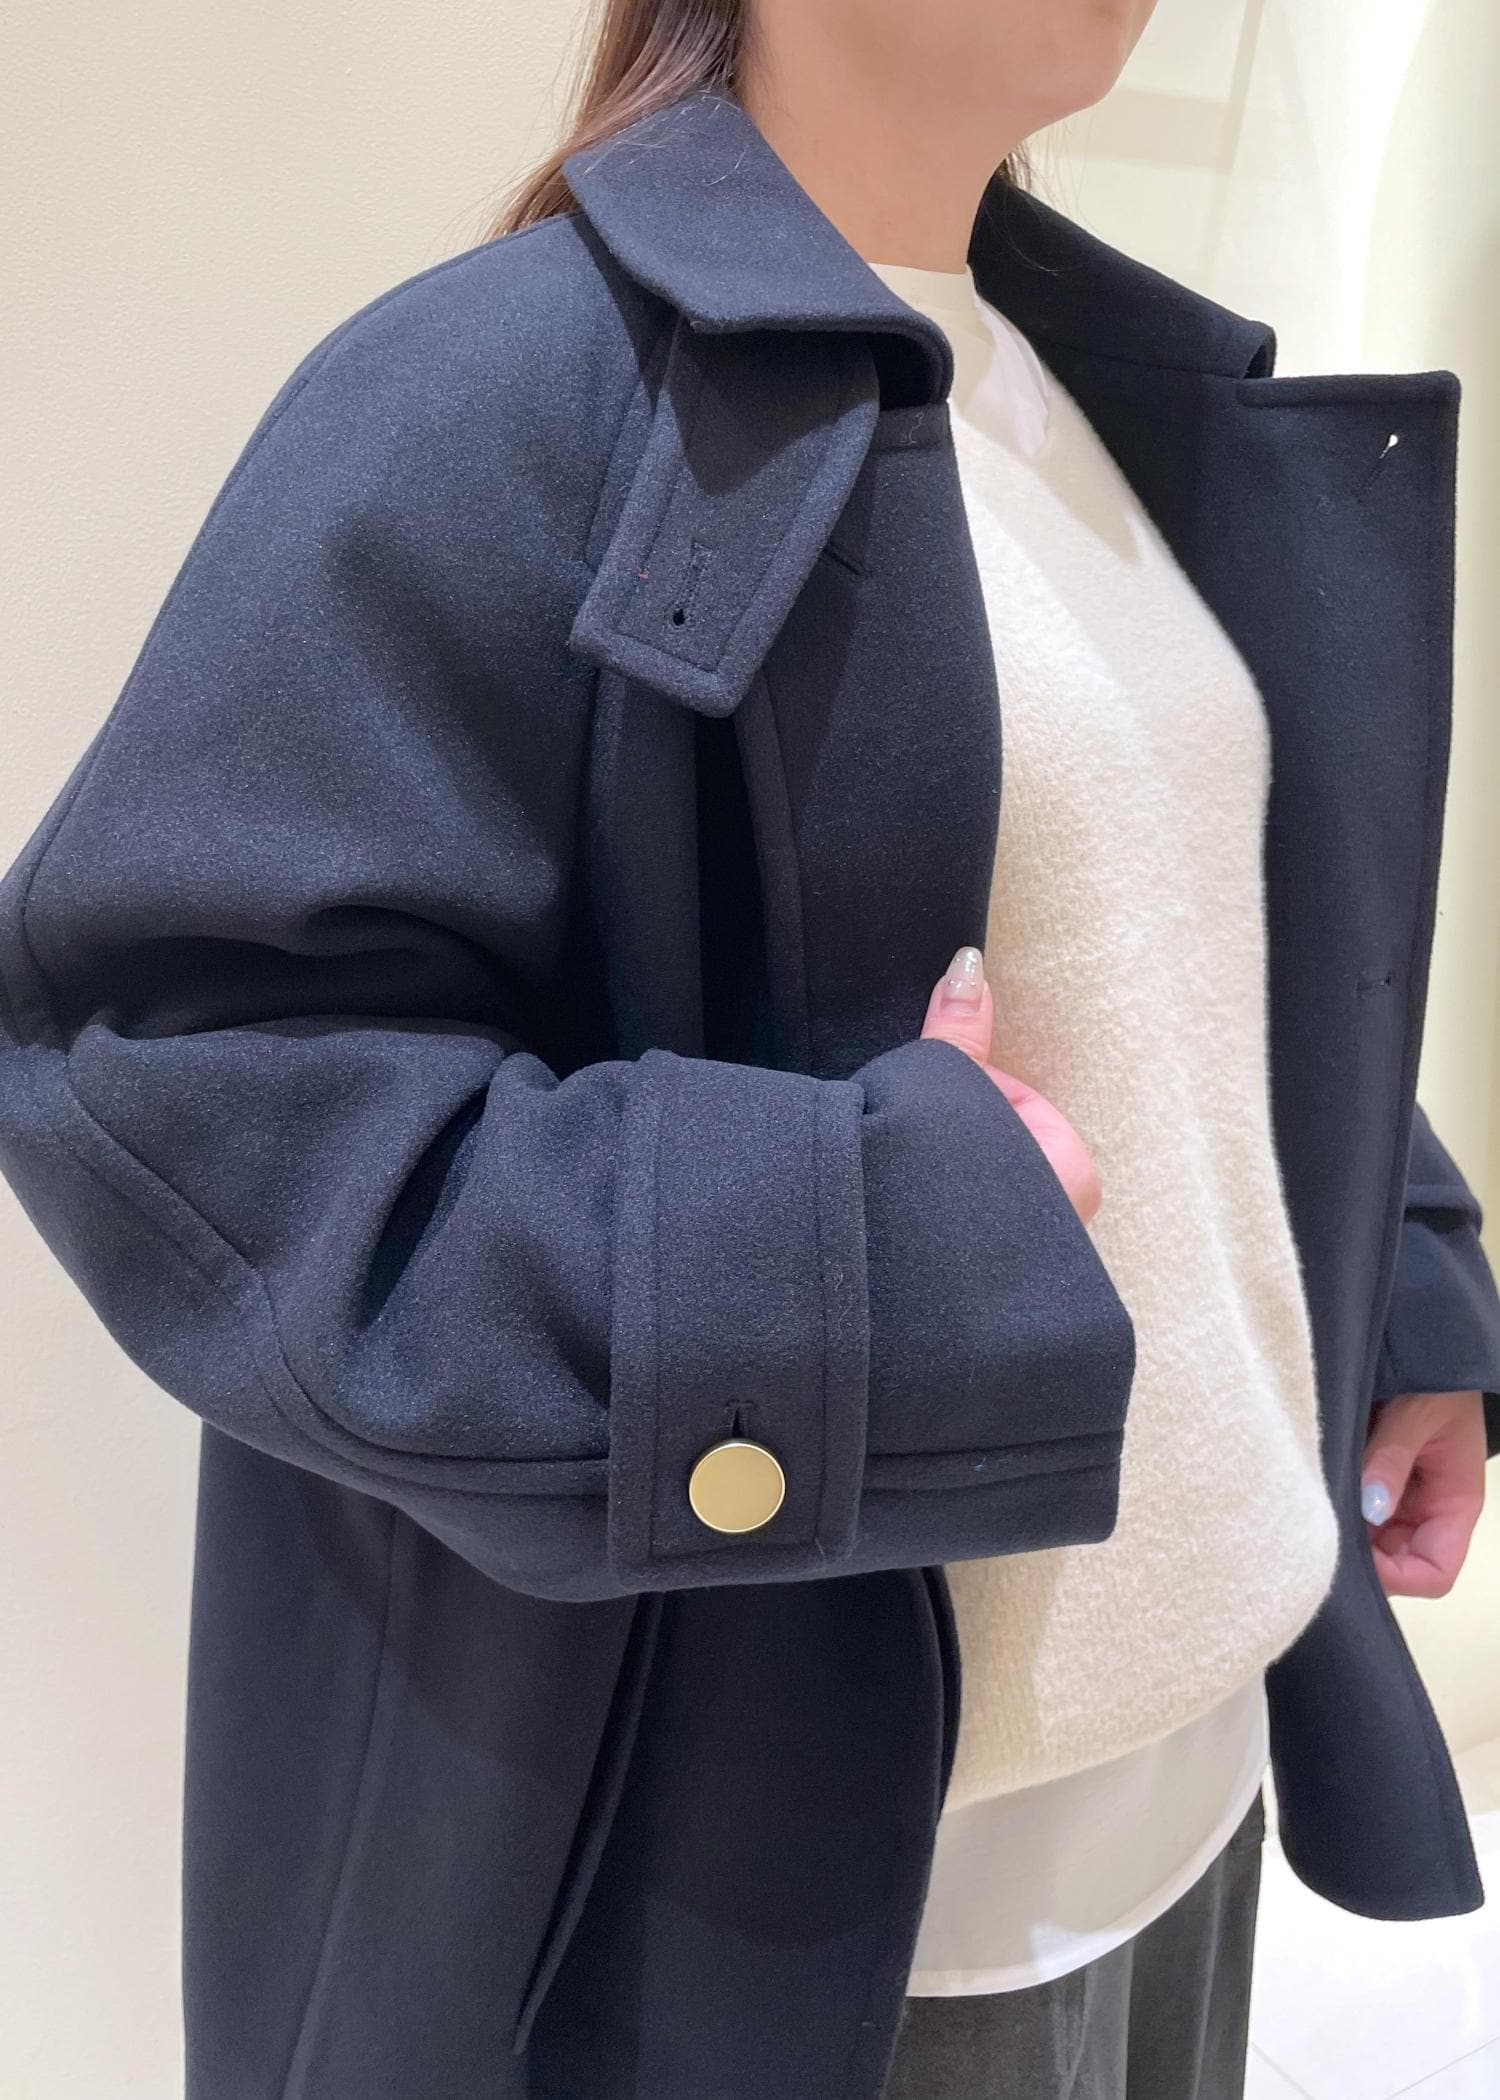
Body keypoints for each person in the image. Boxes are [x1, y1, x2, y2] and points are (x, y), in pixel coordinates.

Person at [1, 4, 1497, 2097]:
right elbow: (175, 1052)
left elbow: (1185, 933)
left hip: (1186, 1776)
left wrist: (1400, 1266)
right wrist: (858, 1251)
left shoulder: (1105, 390)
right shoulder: (491, 390)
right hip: (818, 1912)